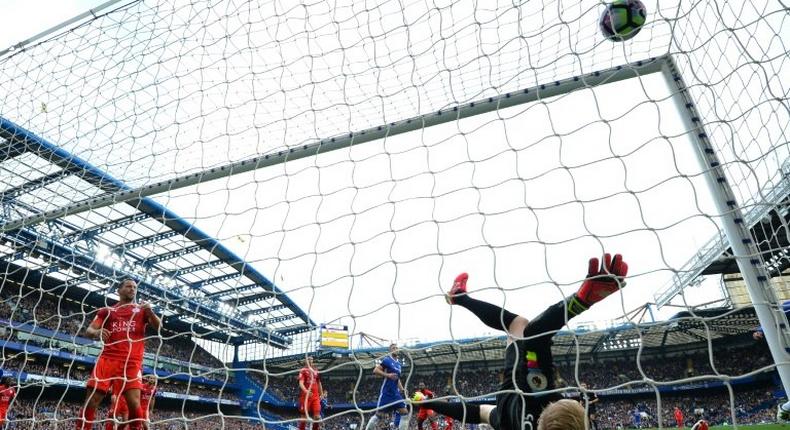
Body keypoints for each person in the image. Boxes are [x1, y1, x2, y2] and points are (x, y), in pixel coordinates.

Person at [422, 253, 629, 430]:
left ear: (544, 414)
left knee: (518, 324)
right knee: (482, 413)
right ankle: (429, 402)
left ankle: (459, 298)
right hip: (507, 421)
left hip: (518, 389)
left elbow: (536, 335)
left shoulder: (542, 397)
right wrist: (430, 403)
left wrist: (582, 301)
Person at [76, 278, 161, 430]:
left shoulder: (141, 310)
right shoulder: (107, 311)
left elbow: (159, 327)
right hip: (107, 359)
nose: (132, 289)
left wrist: (150, 311)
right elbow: (89, 331)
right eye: (129, 286)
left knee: (134, 405)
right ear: (119, 290)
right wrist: (97, 332)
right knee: (92, 400)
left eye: (135, 287)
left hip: (131, 362)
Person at [365, 343, 410, 430]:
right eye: (393, 348)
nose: (395, 349)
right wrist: (387, 375)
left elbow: (397, 379)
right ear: (390, 350)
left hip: (396, 394)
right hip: (387, 393)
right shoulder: (387, 360)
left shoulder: (399, 365)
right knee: (379, 415)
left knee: (405, 413)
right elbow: (375, 370)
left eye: (396, 347)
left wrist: (402, 389)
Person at [298, 356, 323, 430]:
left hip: (315, 396)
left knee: (317, 417)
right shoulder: (303, 370)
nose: (310, 360)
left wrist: (321, 393)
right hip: (305, 397)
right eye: (308, 359)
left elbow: (319, 382)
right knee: (304, 418)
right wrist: (306, 391)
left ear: (313, 361)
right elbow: (301, 383)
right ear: (305, 360)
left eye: (311, 359)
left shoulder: (315, 370)